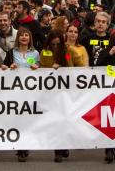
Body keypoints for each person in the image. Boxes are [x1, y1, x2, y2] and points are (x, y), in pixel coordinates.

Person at [39, 30, 82, 163]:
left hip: (66, 91)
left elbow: (75, 66)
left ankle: (64, 145)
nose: (56, 47)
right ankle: (58, 150)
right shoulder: (44, 52)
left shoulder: (68, 51)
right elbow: (42, 67)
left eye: (58, 44)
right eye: (53, 44)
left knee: (66, 120)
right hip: (51, 92)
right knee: (56, 121)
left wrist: (61, 66)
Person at [1, 27, 39, 162]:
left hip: (30, 92)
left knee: (28, 120)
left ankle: (26, 145)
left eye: (26, 35)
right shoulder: (11, 52)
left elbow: (42, 71)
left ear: (30, 38)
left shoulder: (35, 53)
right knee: (18, 120)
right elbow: (3, 67)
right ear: (18, 38)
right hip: (15, 92)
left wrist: (37, 67)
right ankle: (20, 149)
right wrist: (7, 67)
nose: (24, 37)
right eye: (21, 35)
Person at [95, 32, 115, 163]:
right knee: (110, 121)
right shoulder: (105, 51)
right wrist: (110, 53)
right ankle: (109, 149)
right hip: (109, 91)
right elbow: (98, 65)